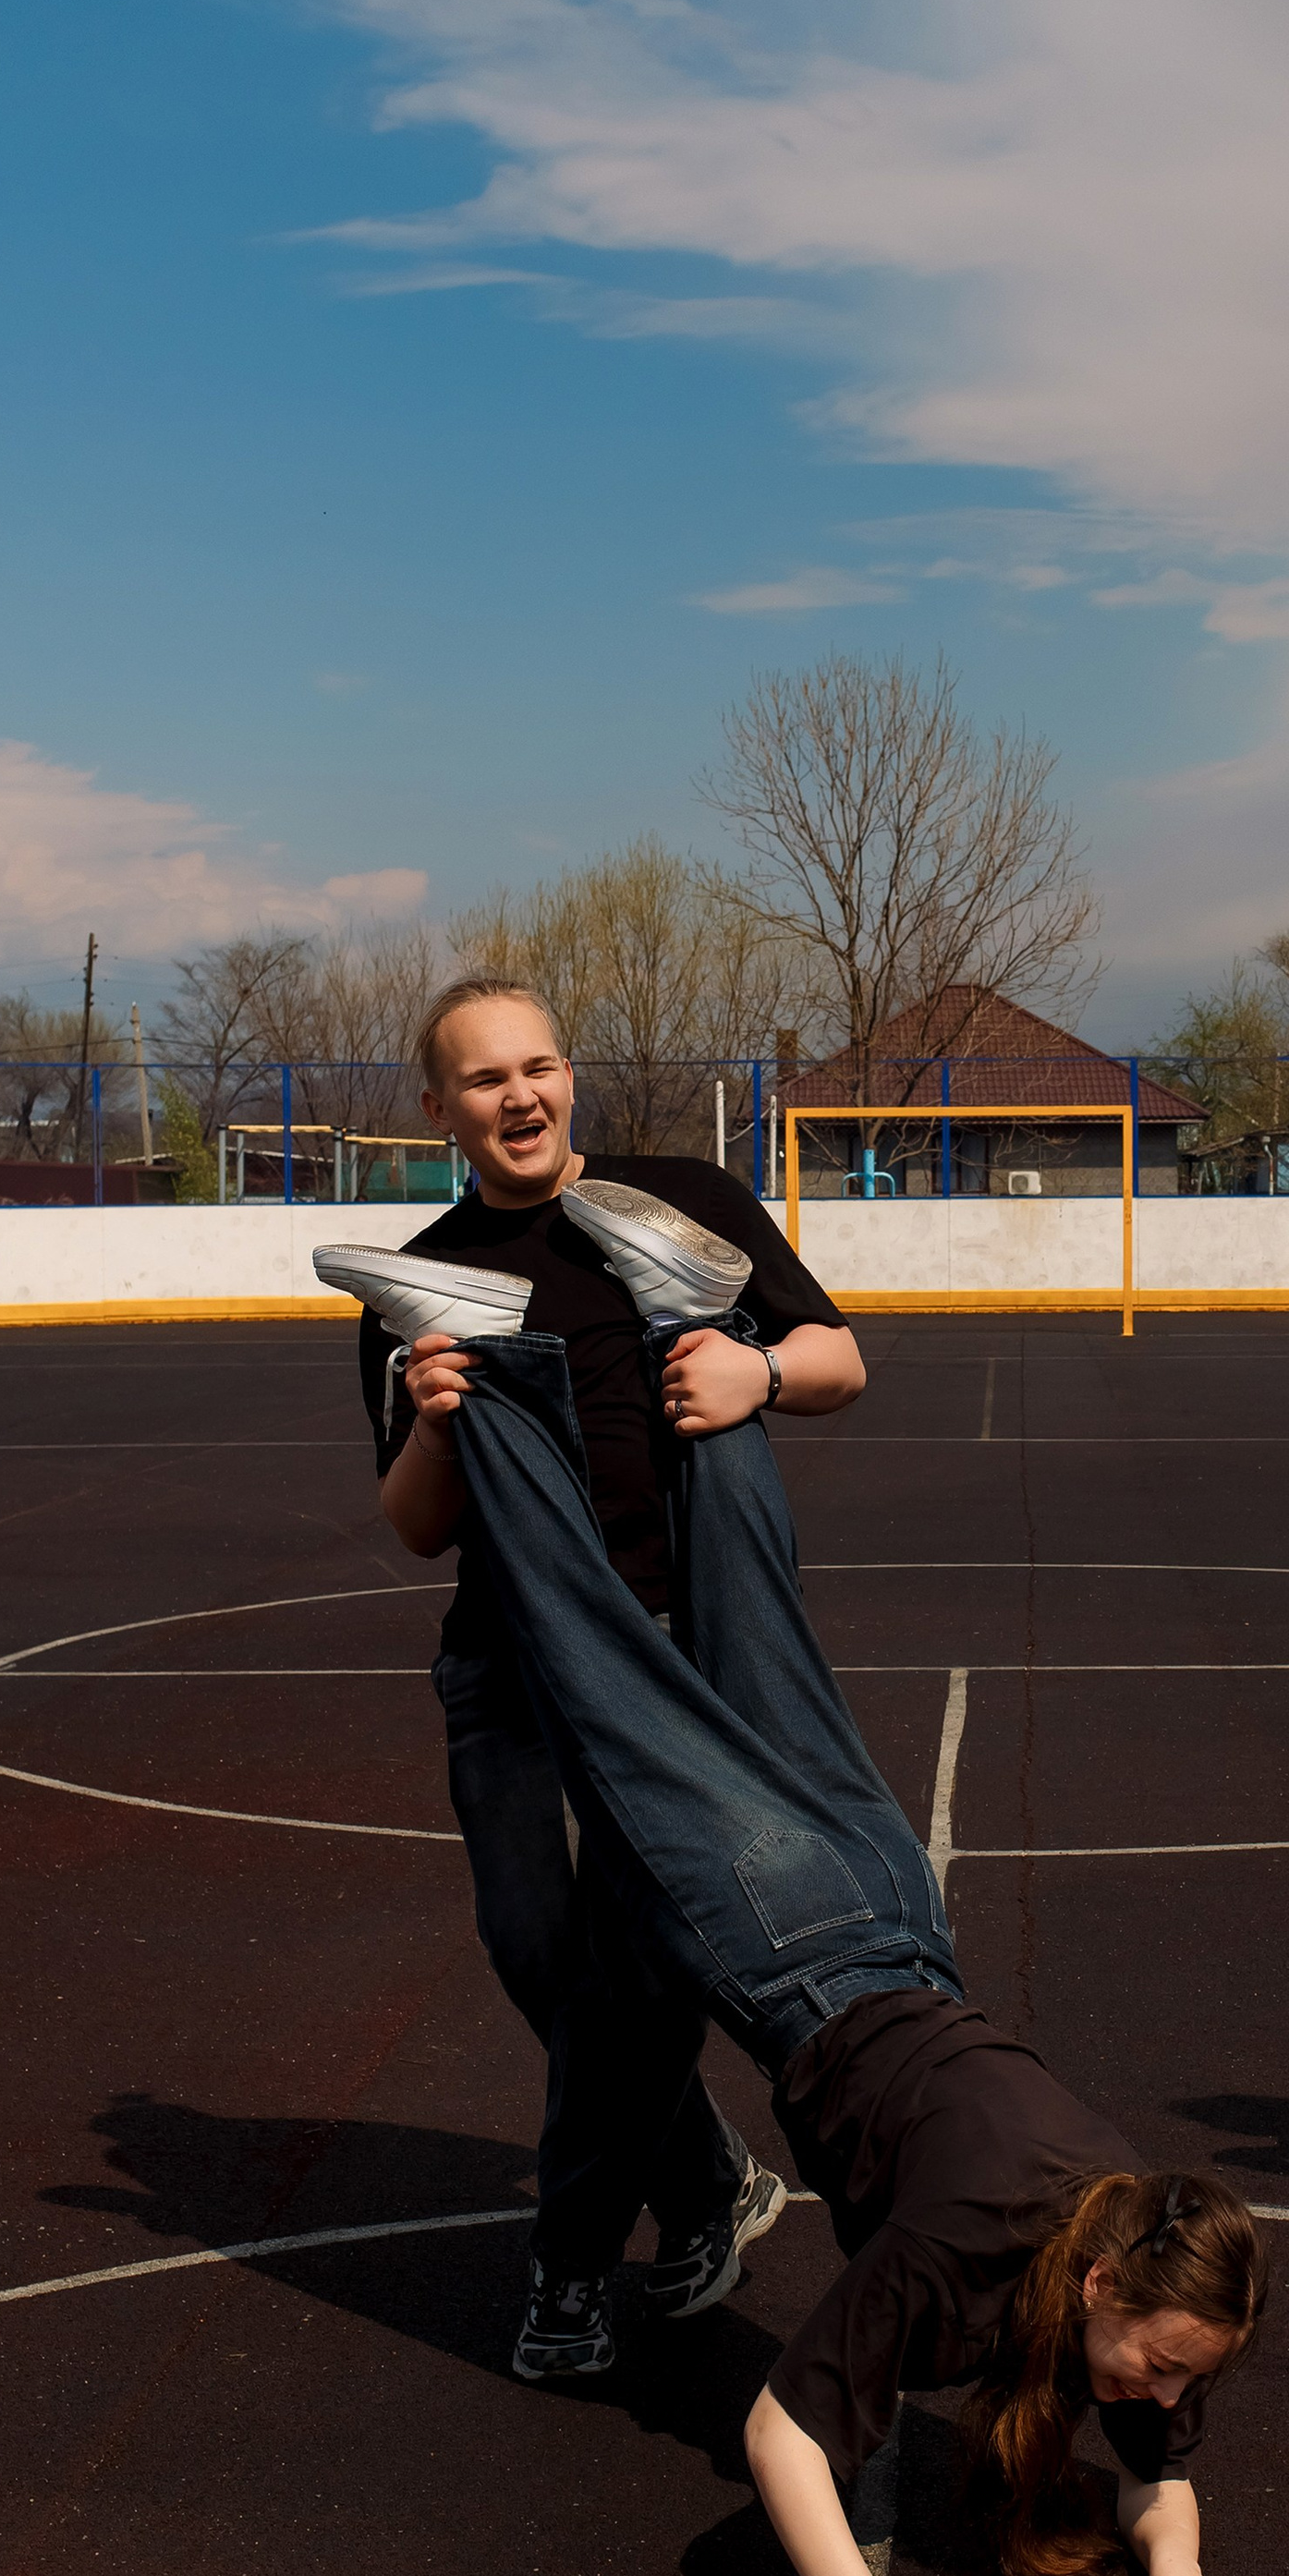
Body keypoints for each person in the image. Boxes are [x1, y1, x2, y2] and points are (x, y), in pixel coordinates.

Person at [376, 1221, 1288, 2576]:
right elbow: (786, 2444)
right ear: (1110, 2283)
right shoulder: (974, 2249)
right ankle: (506, 1364)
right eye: (1167, 2365)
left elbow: (1154, 2471)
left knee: (753, 1624)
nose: (1167, 2399)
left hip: (888, 1904)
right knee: (597, 1657)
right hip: (788, 1939)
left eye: (1188, 2378)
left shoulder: (1127, 2237)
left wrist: (1176, 2563)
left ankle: (688, 1318)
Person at [347, 975, 867, 2383]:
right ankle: (704, 2180)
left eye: (538, 1066)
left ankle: (570, 2268)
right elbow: (411, 1525)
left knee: (634, 1970)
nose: (518, 1095)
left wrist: (757, 1375)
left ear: (568, 1077)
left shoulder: (677, 1197)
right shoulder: (429, 1273)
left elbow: (840, 1358)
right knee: (534, 1950)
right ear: (439, 1107)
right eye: (482, 1079)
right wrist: (440, 1418)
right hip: (507, 1658)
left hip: (668, 1657)